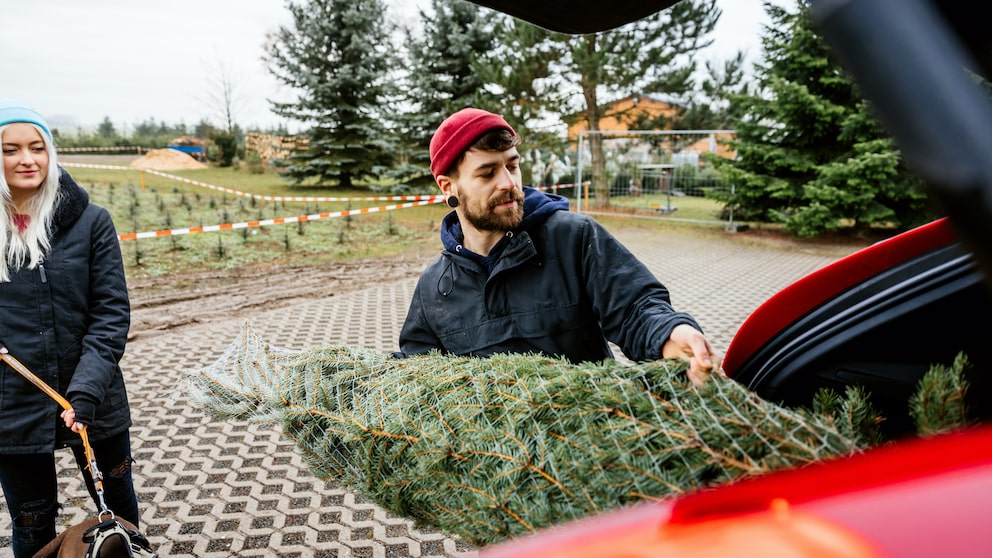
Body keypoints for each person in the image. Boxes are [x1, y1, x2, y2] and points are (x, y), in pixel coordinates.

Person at [396, 107, 719, 384]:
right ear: (448, 187)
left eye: (512, 165)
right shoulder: (434, 288)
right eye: (487, 173)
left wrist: (671, 334)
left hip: (588, 442)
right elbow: (418, 375)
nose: (509, 183)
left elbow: (636, 309)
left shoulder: (574, 238)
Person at [0, 99, 140, 557]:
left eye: (37, 147)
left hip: (95, 398)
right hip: (13, 408)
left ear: (51, 153)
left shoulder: (91, 222)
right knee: (32, 522)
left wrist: (86, 392)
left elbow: (111, 314)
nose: (26, 159)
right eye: (10, 149)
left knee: (117, 511)